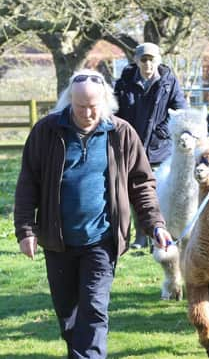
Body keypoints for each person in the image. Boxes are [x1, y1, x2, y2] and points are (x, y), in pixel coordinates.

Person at [14, 69, 173, 359]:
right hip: (58, 239)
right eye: (80, 107)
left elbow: (142, 184)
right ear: (68, 103)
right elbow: (28, 183)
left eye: (93, 106)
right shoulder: (47, 131)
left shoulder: (121, 133)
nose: (87, 113)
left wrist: (155, 225)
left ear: (105, 102)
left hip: (102, 239)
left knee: (94, 307)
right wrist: (26, 231)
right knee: (68, 314)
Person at [114, 42, 187, 248]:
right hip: (129, 145)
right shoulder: (124, 82)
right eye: (143, 59)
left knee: (154, 191)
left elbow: (180, 109)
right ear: (136, 61)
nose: (148, 64)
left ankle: (158, 233)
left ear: (158, 60)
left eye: (151, 59)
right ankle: (138, 237)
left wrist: (161, 131)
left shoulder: (168, 81)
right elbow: (115, 111)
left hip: (157, 148)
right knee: (131, 191)